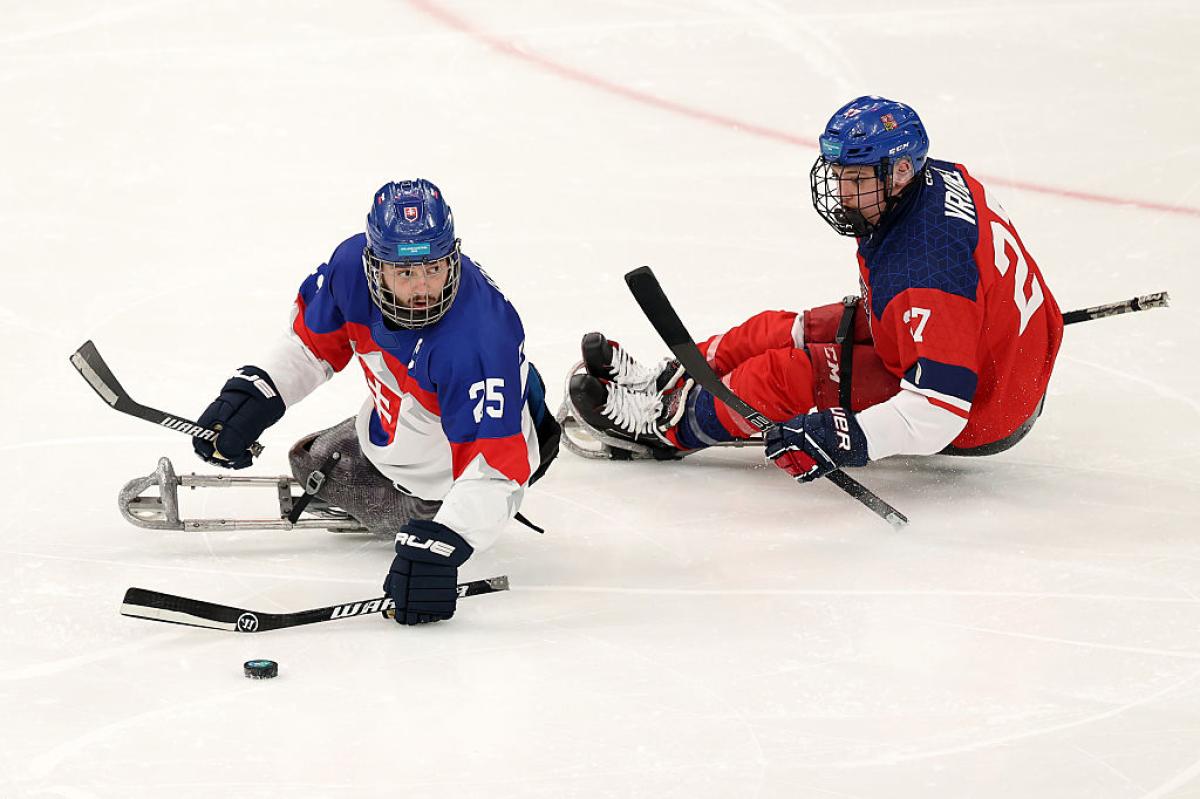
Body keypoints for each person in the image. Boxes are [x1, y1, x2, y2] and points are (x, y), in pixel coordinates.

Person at [568, 95, 1063, 485]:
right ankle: (668, 381)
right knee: (779, 329)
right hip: (993, 346)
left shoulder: (924, 273)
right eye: (839, 176)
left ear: (902, 171)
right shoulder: (940, 180)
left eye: (857, 180)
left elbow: (939, 410)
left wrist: (847, 436)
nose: (843, 193)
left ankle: (663, 430)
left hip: (987, 403)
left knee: (779, 377)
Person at [192, 179, 559, 625]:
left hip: (479, 443)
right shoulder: (349, 270)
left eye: (435, 268)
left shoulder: (476, 340)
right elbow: (310, 346)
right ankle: (413, 458)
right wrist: (257, 393)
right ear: (375, 267)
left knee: (322, 467)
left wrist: (446, 542)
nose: (424, 287)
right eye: (406, 273)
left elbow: (496, 467)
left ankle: (430, 499)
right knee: (318, 458)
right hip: (425, 411)